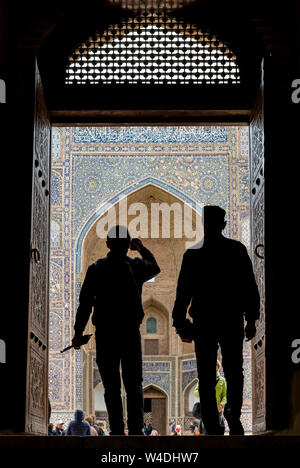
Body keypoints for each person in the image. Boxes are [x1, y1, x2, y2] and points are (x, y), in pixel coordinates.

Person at [172, 205, 260, 435]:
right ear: (223, 224)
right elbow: (250, 287)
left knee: (206, 374)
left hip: (204, 321)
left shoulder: (193, 254)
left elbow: (183, 293)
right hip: (231, 319)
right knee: (233, 370)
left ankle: (211, 423)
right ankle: (232, 412)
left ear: (205, 224)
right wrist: (251, 319)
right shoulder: (236, 250)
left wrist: (180, 323)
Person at [72, 225, 160, 435]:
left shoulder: (97, 268)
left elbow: (85, 304)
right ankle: (136, 430)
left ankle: (118, 431)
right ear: (128, 245)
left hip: (106, 334)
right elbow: (155, 267)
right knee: (133, 384)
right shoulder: (135, 266)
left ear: (108, 244)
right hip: (129, 333)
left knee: (111, 385)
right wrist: (141, 248)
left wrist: (77, 332)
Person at [193, 360, 227, 435]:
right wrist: (203, 392)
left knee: (217, 432)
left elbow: (224, 396)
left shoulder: (222, 380)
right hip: (206, 409)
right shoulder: (203, 379)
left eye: (215, 365)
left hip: (218, 410)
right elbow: (195, 392)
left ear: (218, 367)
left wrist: (221, 405)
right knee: (206, 431)